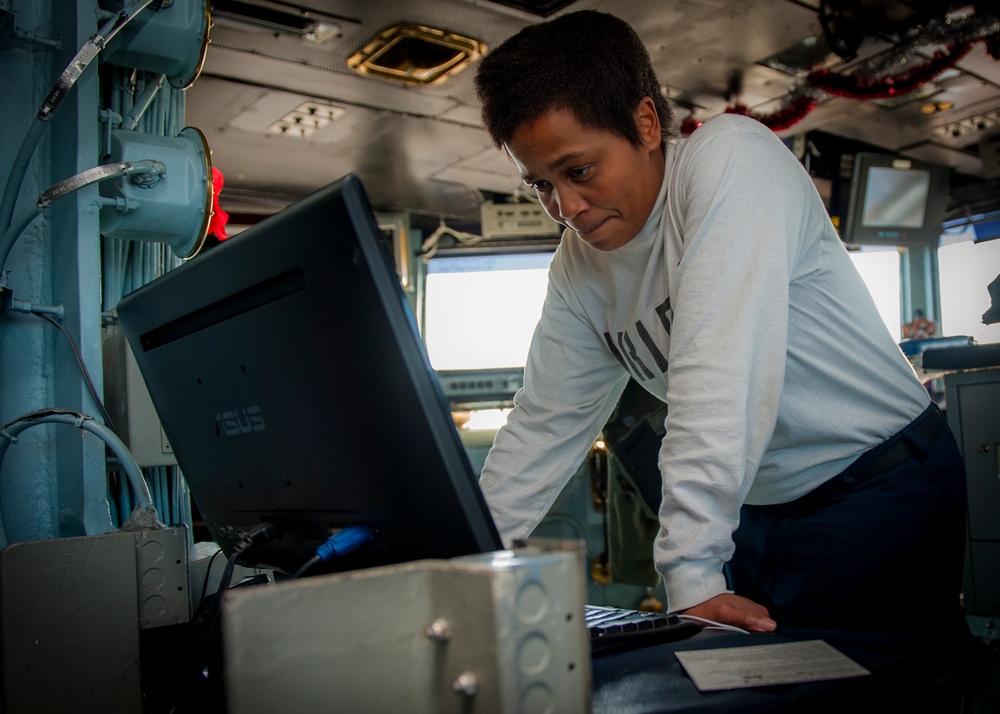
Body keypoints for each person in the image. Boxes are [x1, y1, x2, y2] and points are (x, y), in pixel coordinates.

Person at [473, 10, 969, 636]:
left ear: (645, 124)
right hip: (756, 509)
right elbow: (543, 425)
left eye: (578, 172)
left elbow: (718, 377)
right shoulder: (579, 268)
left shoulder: (730, 160)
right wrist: (458, 559)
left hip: (875, 483)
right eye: (541, 185)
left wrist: (691, 570)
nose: (565, 208)